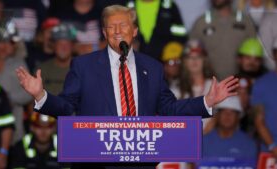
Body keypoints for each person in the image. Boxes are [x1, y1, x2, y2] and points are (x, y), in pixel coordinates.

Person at [16, 5, 239, 168]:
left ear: (134, 31)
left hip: (140, 162)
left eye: (123, 25)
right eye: (110, 27)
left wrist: (206, 101)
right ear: (104, 33)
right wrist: (41, 95)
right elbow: (66, 107)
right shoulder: (84, 66)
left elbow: (169, 108)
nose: (117, 31)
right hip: (96, 162)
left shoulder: (152, 67)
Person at [0, 20, 32, 143]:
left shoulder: (19, 64)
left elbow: (29, 92)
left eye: (8, 42)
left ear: (14, 46)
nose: (4, 46)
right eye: (0, 42)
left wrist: (9, 99)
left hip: (15, 129)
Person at [190, 0, 256, 80]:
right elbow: (190, 56)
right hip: (210, 84)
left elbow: (255, 56)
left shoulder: (246, 22)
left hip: (240, 85)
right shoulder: (200, 23)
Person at [201, 96, 258, 166]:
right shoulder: (202, 143)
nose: (227, 116)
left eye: (232, 112)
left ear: (238, 117)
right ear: (217, 115)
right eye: (224, 111)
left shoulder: (248, 144)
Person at [251, 39, 277, 159]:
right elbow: (259, 121)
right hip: (269, 152)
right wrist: (273, 147)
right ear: (274, 54)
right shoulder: (261, 84)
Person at [38, 22, 76, 95]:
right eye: (60, 44)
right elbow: (33, 101)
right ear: (54, 46)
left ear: (73, 46)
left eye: (67, 44)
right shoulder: (42, 70)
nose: (63, 48)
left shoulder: (82, 70)